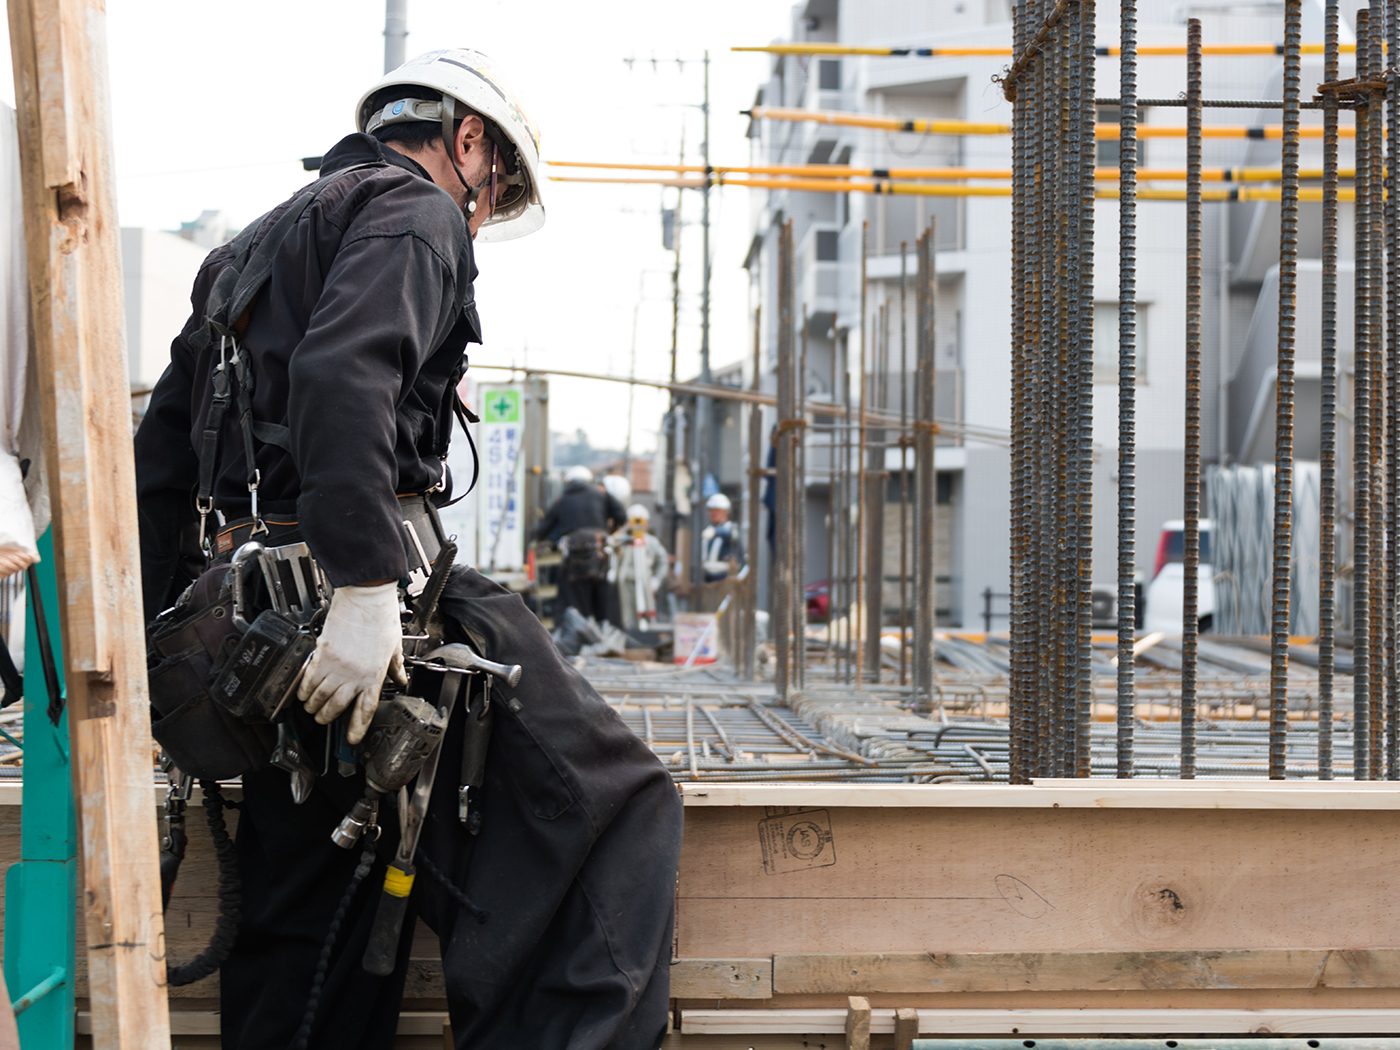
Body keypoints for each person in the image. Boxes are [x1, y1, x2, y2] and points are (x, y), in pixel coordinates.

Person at [134, 49, 680, 1050]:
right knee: (618, 802)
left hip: (259, 629)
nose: (481, 216)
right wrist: (365, 587)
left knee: (308, 921)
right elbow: (349, 377)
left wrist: (147, 635)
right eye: (495, 191)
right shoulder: (416, 213)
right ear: (467, 140)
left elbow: (162, 455)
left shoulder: (251, 245)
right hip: (355, 608)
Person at [534, 464, 625, 623]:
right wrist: (610, 530)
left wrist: (534, 541)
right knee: (604, 596)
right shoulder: (600, 494)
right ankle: (606, 637)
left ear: (568, 482)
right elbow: (621, 514)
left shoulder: (562, 500)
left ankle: (578, 636)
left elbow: (544, 528)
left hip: (573, 556)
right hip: (601, 553)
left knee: (573, 600)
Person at [611, 505, 667, 632]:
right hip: (625, 582)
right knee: (627, 614)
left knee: (647, 610)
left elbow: (663, 561)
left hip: (645, 581)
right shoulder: (622, 540)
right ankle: (629, 635)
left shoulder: (651, 542)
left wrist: (656, 580)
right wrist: (625, 530)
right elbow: (612, 542)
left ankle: (648, 633)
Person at [700, 492, 745, 584]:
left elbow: (732, 535)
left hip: (725, 579)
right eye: (711, 510)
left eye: (718, 510)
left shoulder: (731, 529)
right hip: (708, 579)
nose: (714, 513)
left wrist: (716, 532)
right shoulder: (708, 531)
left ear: (726, 512)